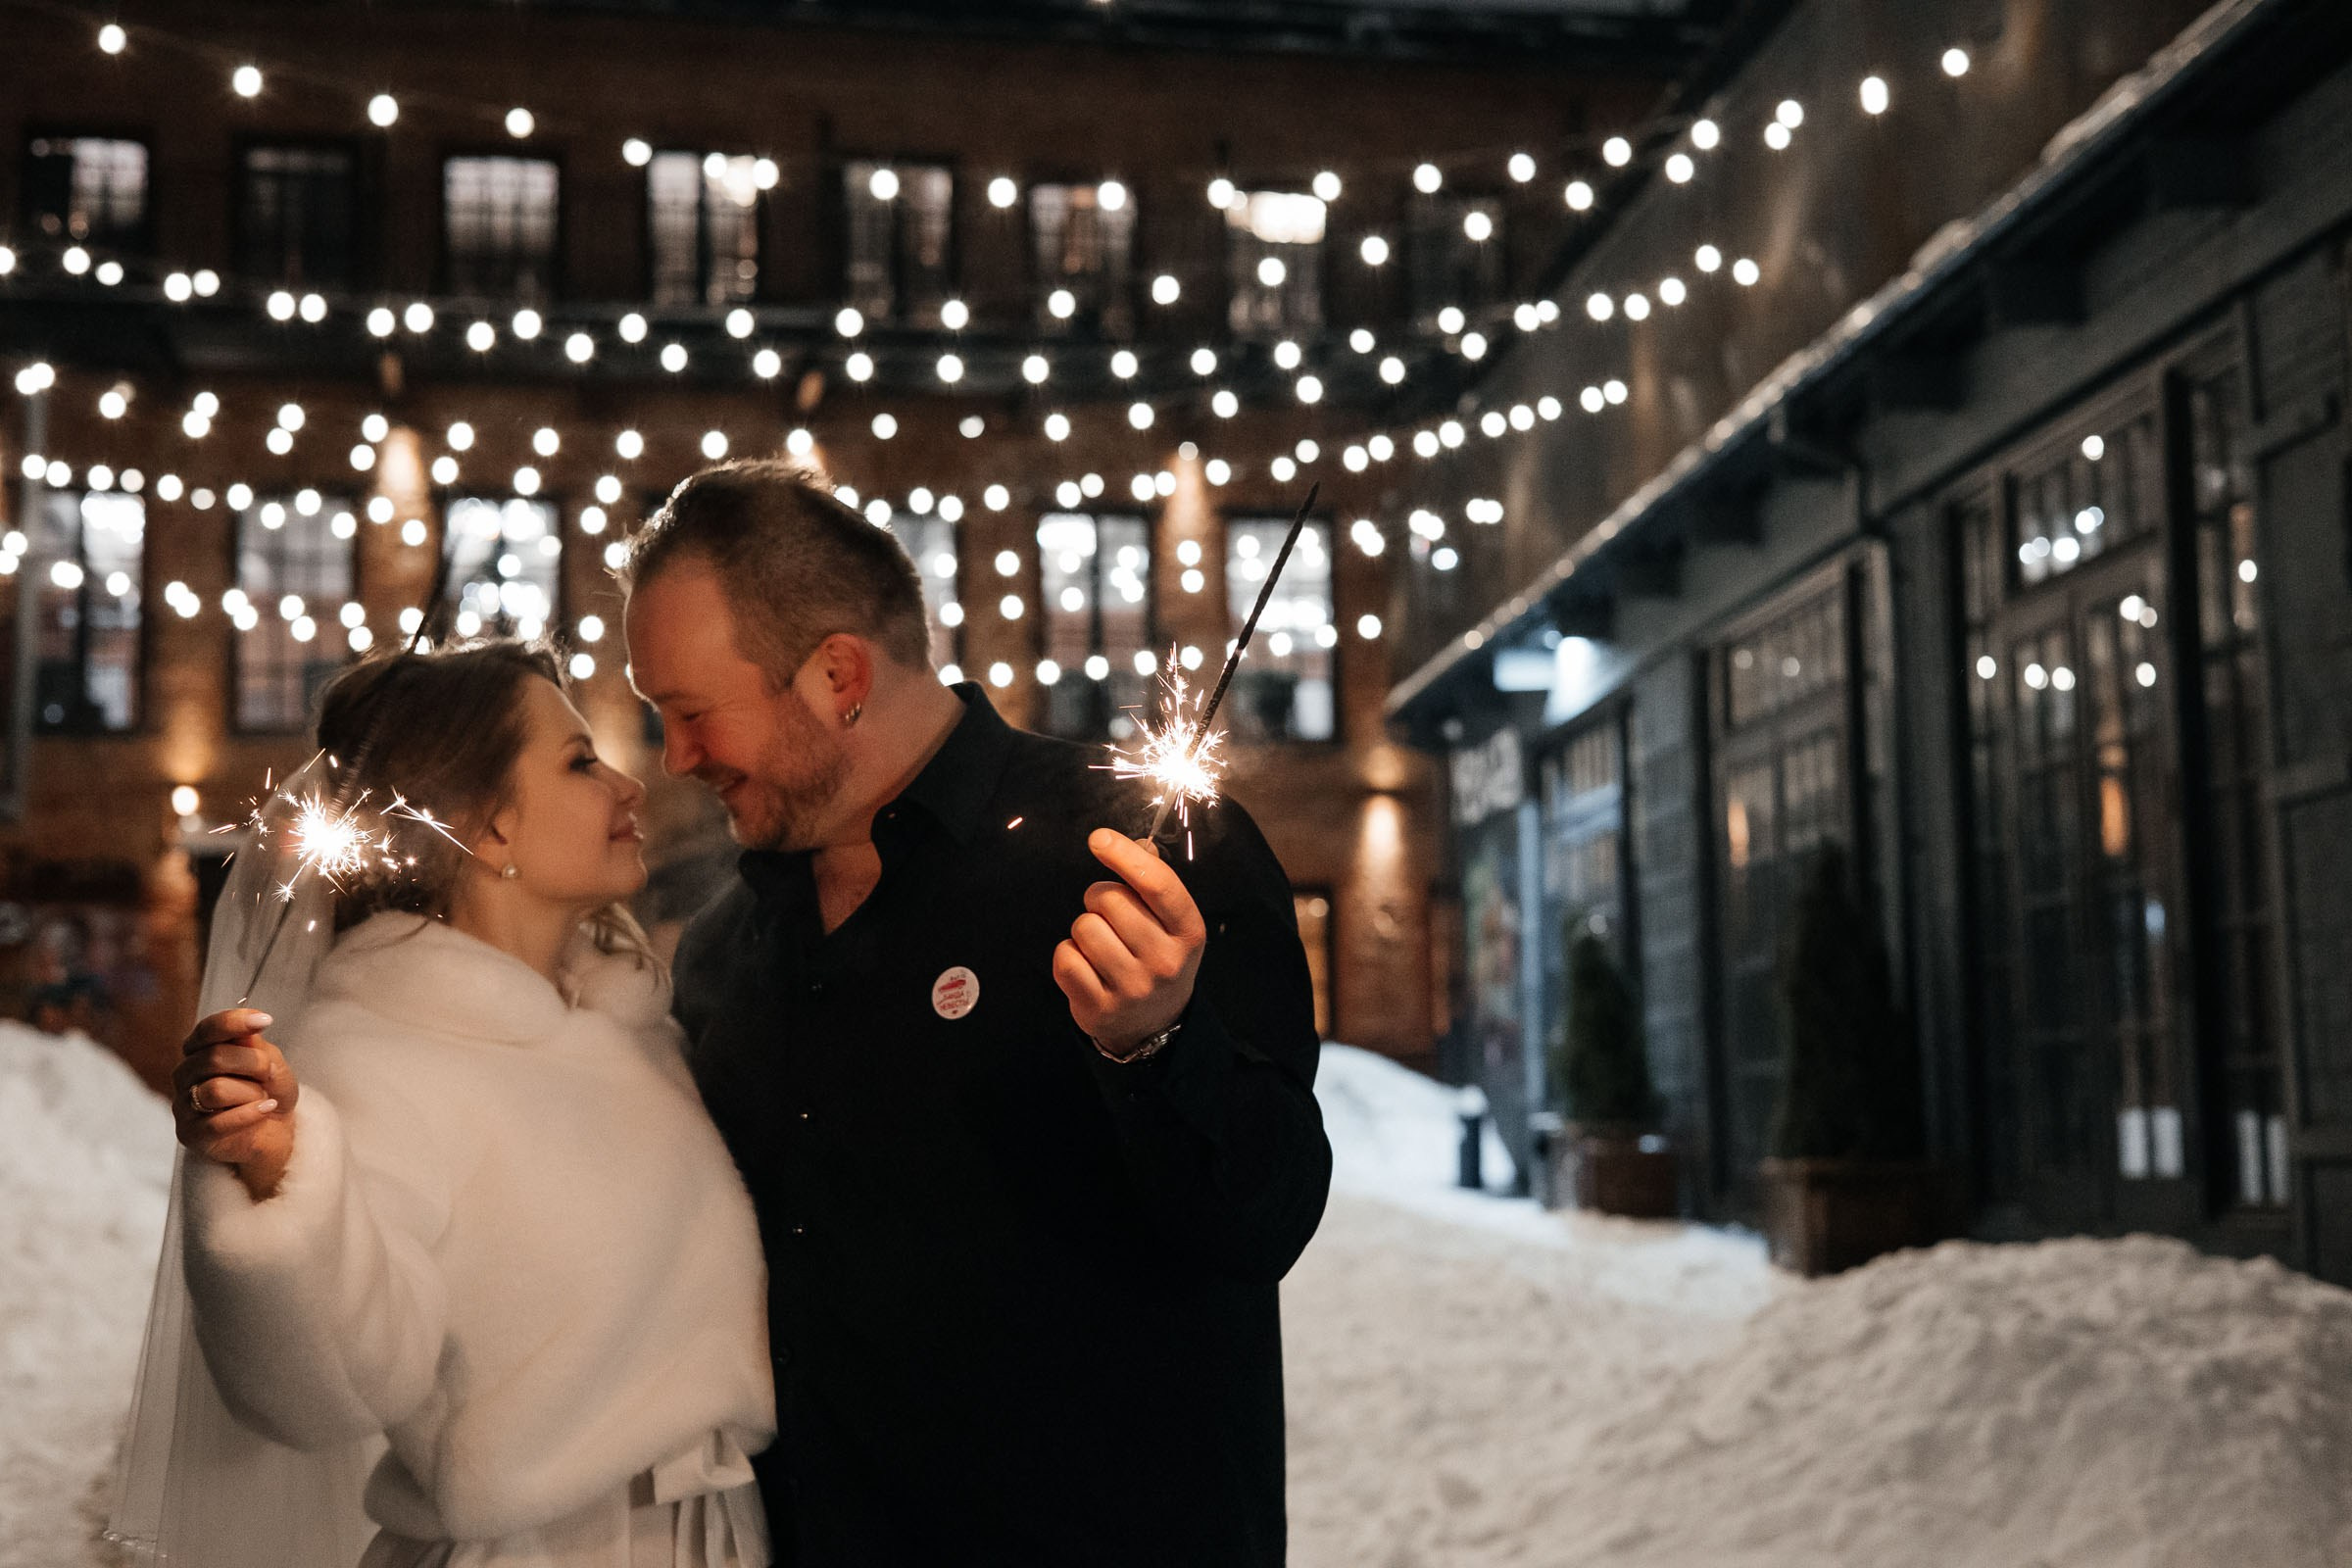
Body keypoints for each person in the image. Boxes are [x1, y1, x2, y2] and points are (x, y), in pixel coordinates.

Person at [619, 461, 1332, 1566]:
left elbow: (1266, 1214)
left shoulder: (1143, 852)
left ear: (839, 674)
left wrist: (1157, 1043)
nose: (675, 758)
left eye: (691, 712)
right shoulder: (726, 950)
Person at [149, 642, 773, 1567]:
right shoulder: (377, 1052)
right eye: (579, 763)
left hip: (707, 1535)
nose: (629, 787)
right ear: (487, 830)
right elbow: (329, 1390)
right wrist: (282, 1173)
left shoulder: (626, 1028)